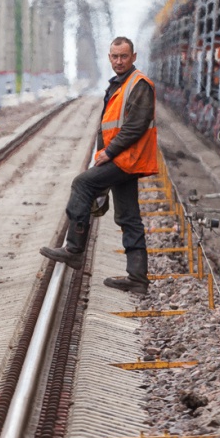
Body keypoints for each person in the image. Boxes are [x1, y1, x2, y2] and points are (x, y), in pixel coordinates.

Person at [40, 36, 158, 294]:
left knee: (82, 183)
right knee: (129, 216)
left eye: (124, 56)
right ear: (109, 57)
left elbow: (135, 126)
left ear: (133, 57)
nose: (119, 61)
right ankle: (137, 278)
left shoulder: (139, 85)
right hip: (125, 158)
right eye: (114, 56)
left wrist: (109, 152)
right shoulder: (119, 85)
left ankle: (74, 249)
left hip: (127, 158)